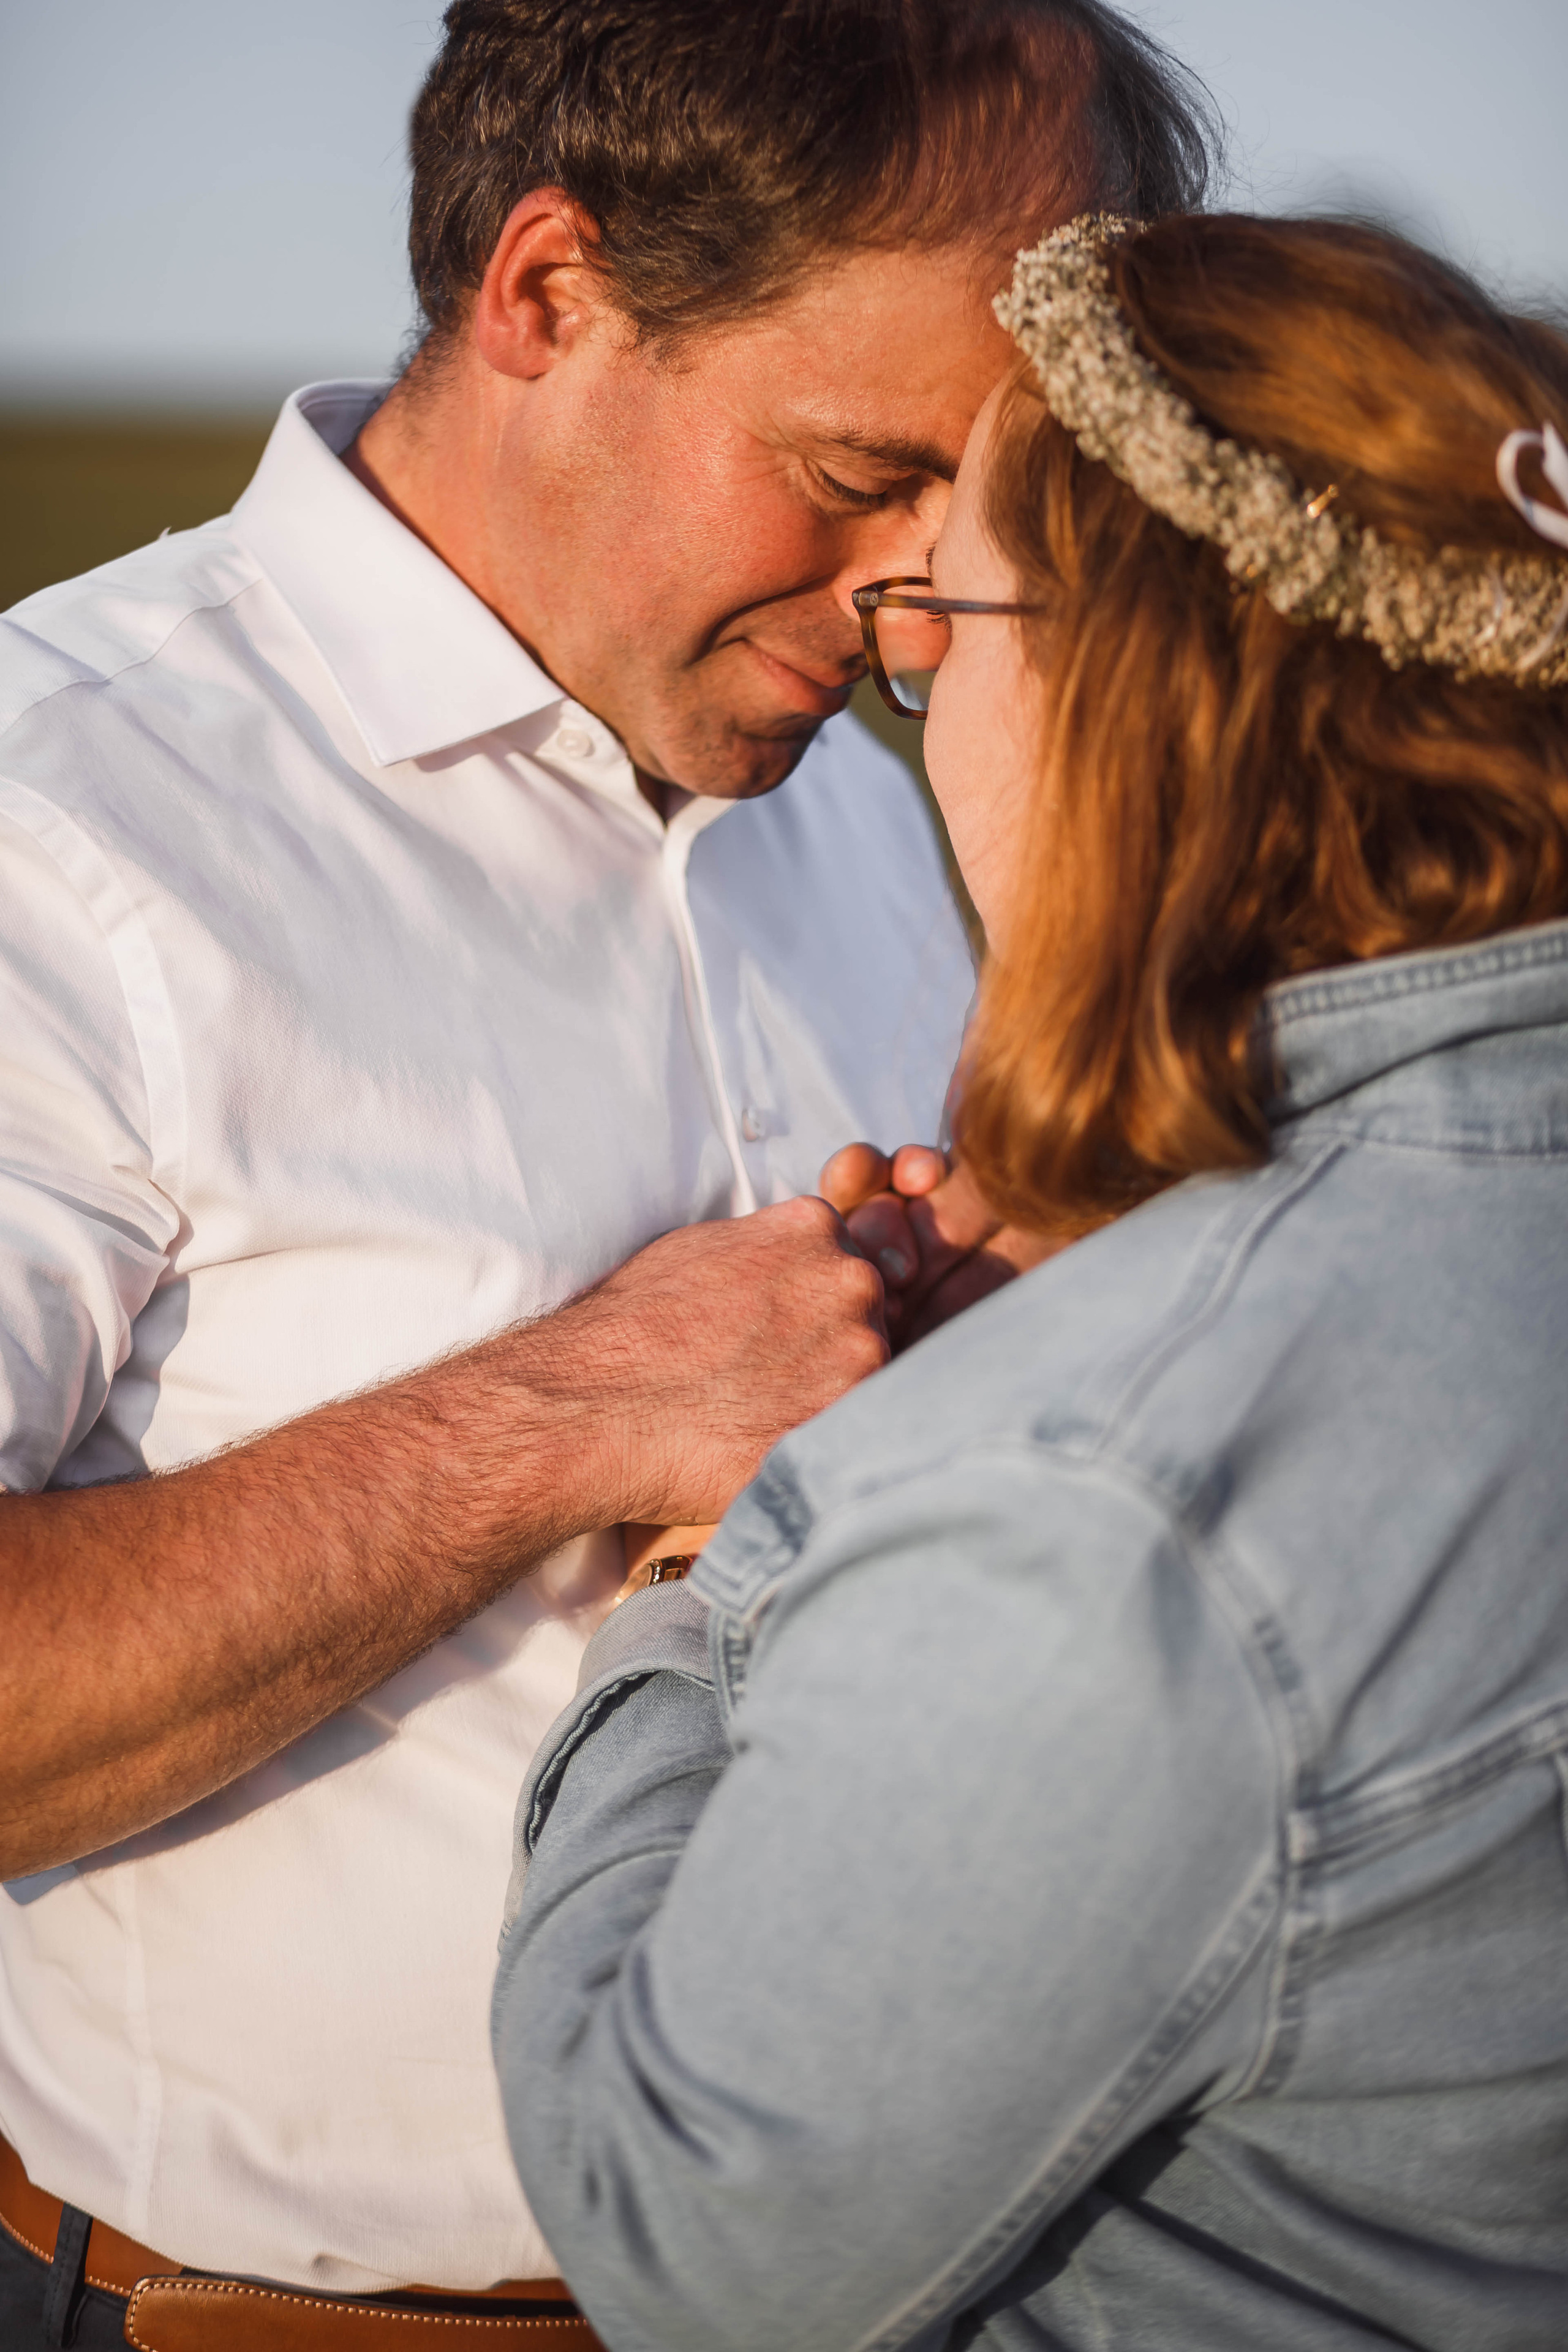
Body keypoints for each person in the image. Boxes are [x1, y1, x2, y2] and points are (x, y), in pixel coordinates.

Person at [0, 2, 1218, 2343]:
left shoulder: (863, 809)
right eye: (862, 468)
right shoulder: (67, 824)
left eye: (978, 513)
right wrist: (573, 1413)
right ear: (549, 291)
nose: (912, 607)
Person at [493, 210, 1568, 2351]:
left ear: (1140, 682)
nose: (908, 694)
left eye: (945, 618)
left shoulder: (1104, 1492)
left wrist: (739, 1562)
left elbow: (690, 2238)